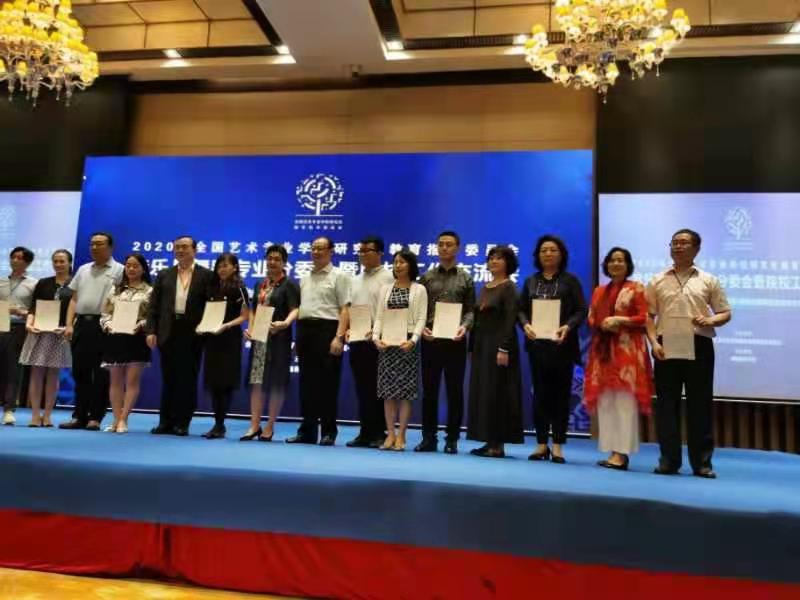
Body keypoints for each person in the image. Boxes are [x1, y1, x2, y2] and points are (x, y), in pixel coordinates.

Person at [646, 229, 731, 479]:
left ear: (696, 249)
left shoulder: (708, 279)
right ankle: (669, 461)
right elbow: (648, 316)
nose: (678, 247)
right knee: (666, 405)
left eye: (684, 243)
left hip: (699, 343)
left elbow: (725, 312)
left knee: (700, 405)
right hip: (666, 345)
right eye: (674, 243)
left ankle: (702, 463)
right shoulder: (657, 279)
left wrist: (710, 320)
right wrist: (653, 342)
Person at [519, 234, 587, 464]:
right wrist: (525, 325)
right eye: (544, 250)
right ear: (538, 255)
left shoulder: (570, 281)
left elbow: (581, 310)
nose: (548, 254)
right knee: (540, 395)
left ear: (561, 254)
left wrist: (568, 326)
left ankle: (557, 445)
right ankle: (541, 444)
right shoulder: (531, 281)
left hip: (562, 346)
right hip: (537, 346)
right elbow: (520, 310)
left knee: (560, 396)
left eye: (553, 250)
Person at [584, 247, 653, 470]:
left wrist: (620, 321)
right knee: (606, 402)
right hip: (603, 352)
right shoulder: (599, 291)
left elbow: (644, 317)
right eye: (612, 260)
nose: (616, 264)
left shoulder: (636, 288)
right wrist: (601, 323)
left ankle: (622, 453)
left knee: (624, 403)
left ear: (628, 265)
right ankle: (612, 450)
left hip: (627, 353)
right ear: (606, 264)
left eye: (621, 260)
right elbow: (591, 317)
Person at [146, 236, 214, 436]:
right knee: (169, 378)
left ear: (194, 250)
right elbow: (154, 306)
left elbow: (211, 305)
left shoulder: (206, 275)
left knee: (188, 378)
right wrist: (151, 331)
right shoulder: (164, 274)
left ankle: (182, 422)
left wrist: (207, 327)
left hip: (193, 332)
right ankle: (165, 422)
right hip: (168, 330)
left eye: (184, 247)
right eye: (177, 247)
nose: (180, 250)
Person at [287, 236, 350, 446]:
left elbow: (345, 308)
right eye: (313, 248)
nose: (316, 252)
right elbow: (302, 309)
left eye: (321, 248)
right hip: (305, 330)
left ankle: (329, 432)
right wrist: (297, 339)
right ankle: (307, 431)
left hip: (328, 330)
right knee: (306, 384)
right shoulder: (305, 278)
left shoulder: (339, 276)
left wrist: (339, 337)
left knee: (328, 385)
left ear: (331, 251)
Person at [416, 231, 475, 454]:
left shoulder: (466, 278)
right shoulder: (427, 277)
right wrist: (422, 328)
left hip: (455, 339)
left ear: (457, 248)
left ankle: (452, 439)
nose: (444, 248)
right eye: (440, 244)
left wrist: (465, 327)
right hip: (431, 338)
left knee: (455, 391)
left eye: (449, 244)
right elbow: (419, 309)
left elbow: (471, 310)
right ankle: (428, 438)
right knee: (429, 391)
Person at [61, 233, 124, 430]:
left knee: (101, 374)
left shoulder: (119, 270)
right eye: (92, 244)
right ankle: (79, 415)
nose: (94, 247)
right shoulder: (83, 269)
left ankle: (95, 417)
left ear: (110, 247)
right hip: (82, 324)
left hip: (104, 325)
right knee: (80, 372)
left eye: (99, 244)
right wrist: (69, 324)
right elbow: (74, 299)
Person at [467, 246, 524, 458]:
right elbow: (477, 319)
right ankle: (488, 440)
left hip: (499, 346)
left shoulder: (509, 287)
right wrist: (472, 347)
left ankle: (498, 444)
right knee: (484, 392)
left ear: (508, 263)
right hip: (482, 346)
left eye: (499, 258)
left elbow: (510, 320)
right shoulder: (485, 287)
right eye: (491, 258)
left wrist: (504, 347)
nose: (493, 261)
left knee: (498, 393)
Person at [242, 245, 300, 442]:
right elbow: (253, 310)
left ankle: (269, 426)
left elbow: (295, 309)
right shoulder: (260, 284)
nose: (272, 262)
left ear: (284, 263)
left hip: (279, 339)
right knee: (256, 382)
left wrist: (286, 323)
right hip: (259, 339)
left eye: (277, 259)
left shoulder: (289, 284)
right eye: (269, 258)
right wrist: (250, 328)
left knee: (276, 384)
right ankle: (254, 425)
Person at [373, 249, 427, 451]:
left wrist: (413, 340)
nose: (398, 265)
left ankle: (402, 434)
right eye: (395, 262)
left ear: (411, 265)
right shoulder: (385, 289)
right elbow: (379, 316)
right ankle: (390, 434)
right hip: (387, 344)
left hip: (407, 344)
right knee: (388, 392)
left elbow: (421, 318)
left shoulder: (419, 289)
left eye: (402, 262)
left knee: (405, 392)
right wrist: (376, 338)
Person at [346, 236, 394, 448]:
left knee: (378, 388)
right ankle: (365, 432)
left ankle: (379, 432)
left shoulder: (389, 277)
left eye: (368, 250)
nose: (363, 254)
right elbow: (350, 308)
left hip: (380, 340)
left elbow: (392, 309)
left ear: (380, 253)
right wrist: (348, 329)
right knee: (362, 387)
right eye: (361, 251)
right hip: (358, 339)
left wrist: (379, 331)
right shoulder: (355, 280)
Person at [99, 253, 153, 434]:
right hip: (115, 337)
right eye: (128, 265)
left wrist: (141, 324)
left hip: (137, 338)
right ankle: (115, 418)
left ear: (143, 269)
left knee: (132, 380)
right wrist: (108, 325)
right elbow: (105, 313)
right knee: (115, 380)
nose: (131, 269)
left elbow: (152, 316)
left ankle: (124, 419)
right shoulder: (115, 289)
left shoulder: (150, 291)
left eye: (135, 266)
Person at [19, 250, 72, 427]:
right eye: (55, 261)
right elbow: (33, 307)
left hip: (60, 334)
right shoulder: (43, 283)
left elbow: (76, 311)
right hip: (39, 332)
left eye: (62, 261)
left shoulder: (74, 284)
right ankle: (35, 414)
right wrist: (29, 323)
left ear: (69, 263)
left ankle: (48, 415)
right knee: (36, 372)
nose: (58, 264)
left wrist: (67, 327)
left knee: (53, 374)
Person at [201, 253, 249, 439]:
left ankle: (220, 424)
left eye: (226, 265)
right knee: (213, 383)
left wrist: (227, 325)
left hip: (229, 339)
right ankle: (217, 423)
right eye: (219, 266)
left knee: (225, 382)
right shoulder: (211, 287)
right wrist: (202, 326)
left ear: (235, 267)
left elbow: (245, 316)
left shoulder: (240, 288)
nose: (222, 269)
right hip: (212, 339)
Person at [0, 246, 38, 426]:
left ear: (28, 262)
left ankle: (9, 410)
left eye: (20, 258)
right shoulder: (1, 281)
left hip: (18, 328)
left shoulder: (34, 283)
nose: (15, 260)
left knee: (13, 369)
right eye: (13, 257)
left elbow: (37, 309)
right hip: (0, 325)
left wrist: (22, 312)